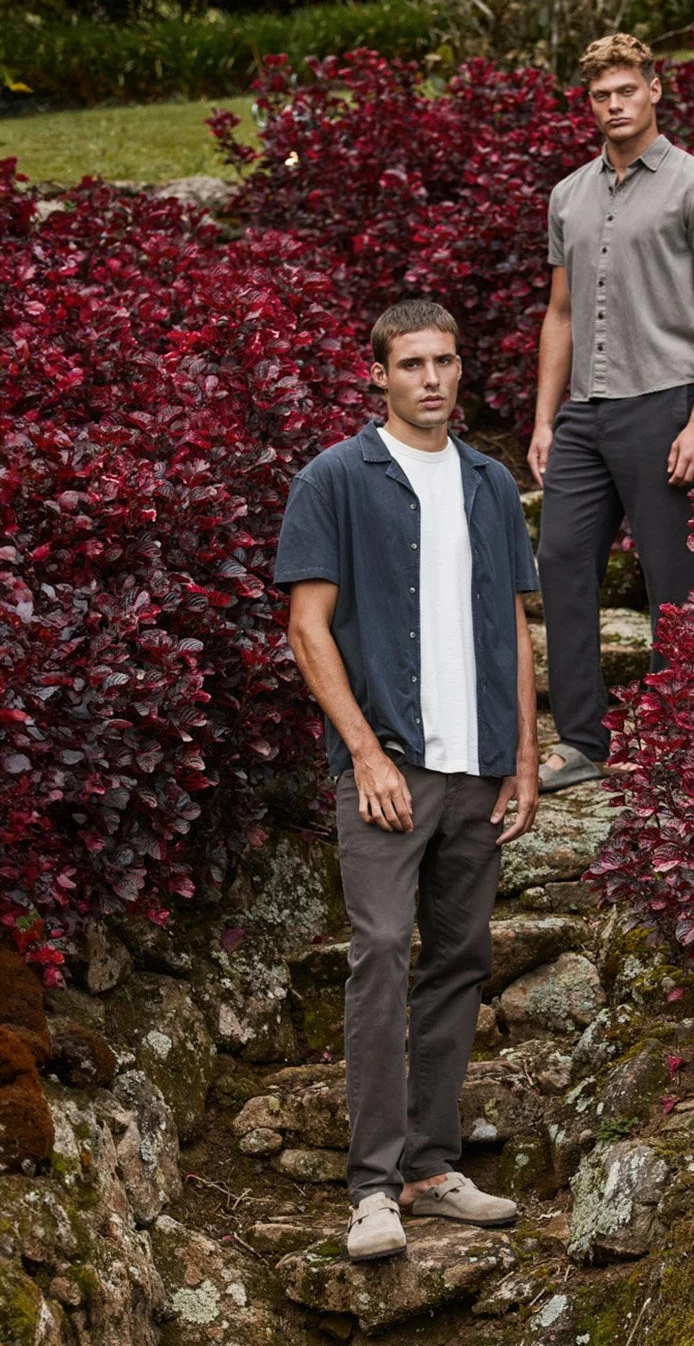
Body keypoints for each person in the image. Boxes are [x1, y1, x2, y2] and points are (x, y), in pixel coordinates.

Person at [274, 299, 540, 1262]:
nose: (431, 379)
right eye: (412, 364)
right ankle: (373, 1190)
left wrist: (525, 756)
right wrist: (363, 752)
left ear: (461, 370)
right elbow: (307, 628)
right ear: (378, 376)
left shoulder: (490, 483)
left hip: (479, 767)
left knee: (459, 960)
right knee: (382, 949)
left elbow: (514, 628)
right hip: (388, 763)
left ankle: (432, 1167)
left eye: (445, 362)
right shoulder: (334, 479)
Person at [529, 32, 694, 791]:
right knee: (560, 564)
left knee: (673, 581)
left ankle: (671, 741)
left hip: (662, 405)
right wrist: (544, 420)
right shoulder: (568, 195)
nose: (614, 105)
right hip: (582, 415)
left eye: (627, 90)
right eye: (601, 95)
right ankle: (582, 742)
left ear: (654, 89)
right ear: (587, 104)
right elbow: (559, 314)